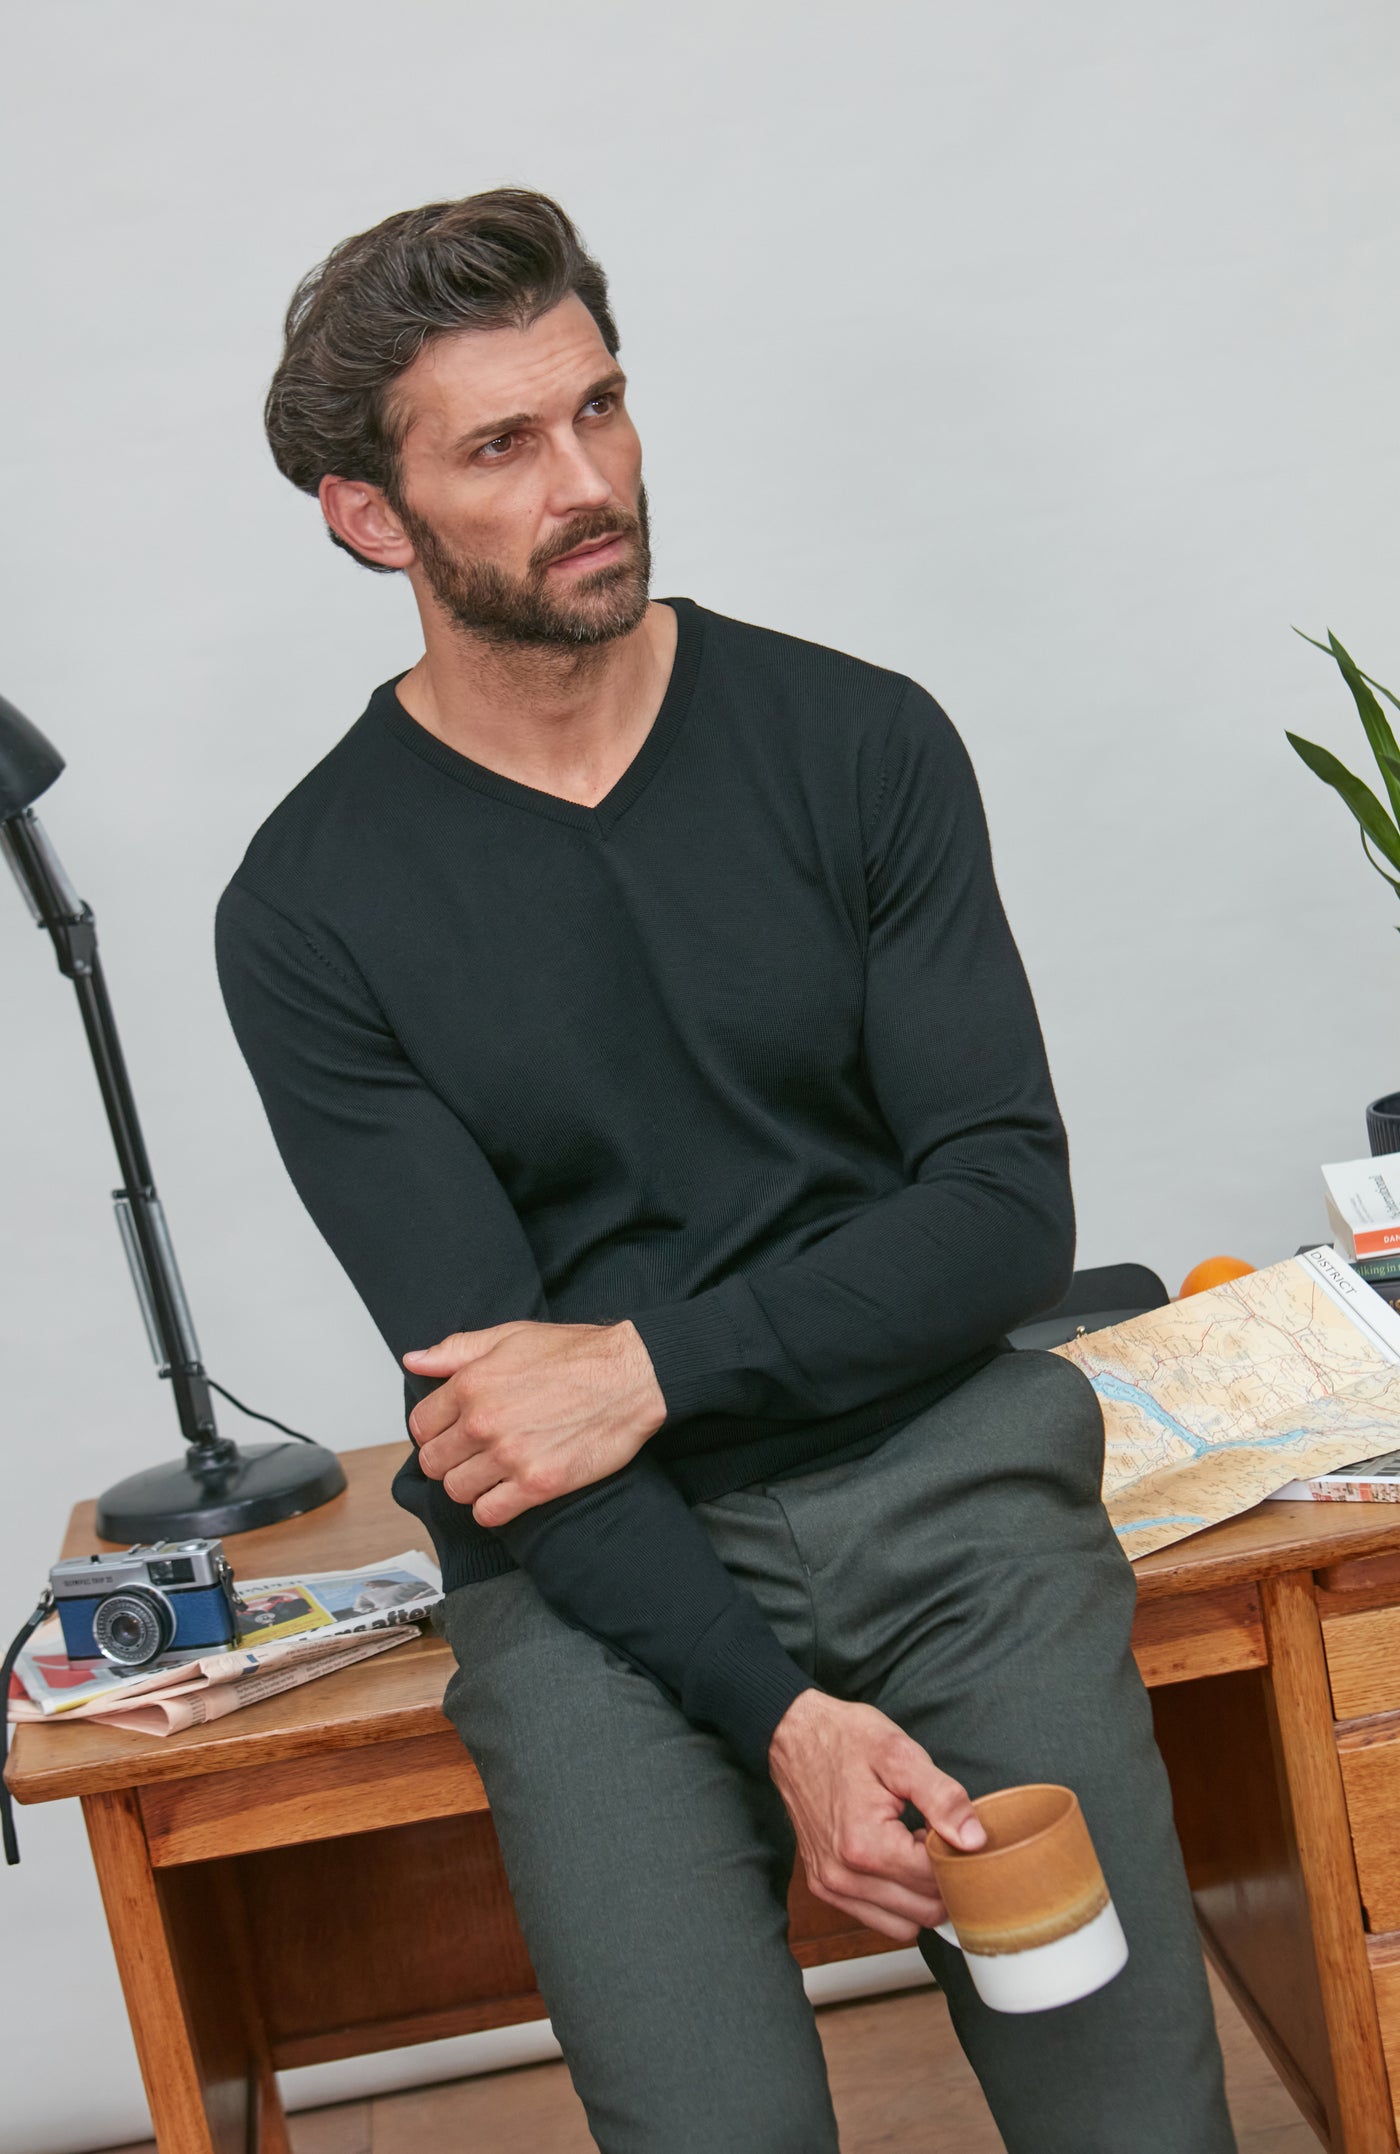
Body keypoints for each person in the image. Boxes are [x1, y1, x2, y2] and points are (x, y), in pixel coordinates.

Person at [216, 188, 1235, 2153]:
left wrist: (650, 1363)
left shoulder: (853, 743)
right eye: (502, 446)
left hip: (946, 1491)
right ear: (368, 514)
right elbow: (508, 1432)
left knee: (1135, 2126)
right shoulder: (312, 909)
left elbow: (1003, 1211)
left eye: (600, 408)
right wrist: (781, 1719)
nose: (588, 480)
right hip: (594, 1584)